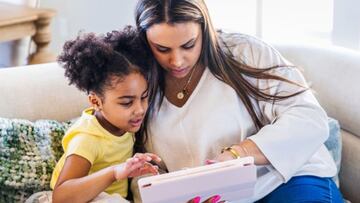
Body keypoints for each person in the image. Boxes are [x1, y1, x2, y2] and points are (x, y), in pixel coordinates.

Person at [131, 0, 344, 202]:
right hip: (216, 197)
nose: (177, 61)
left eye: (188, 45)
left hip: (287, 179)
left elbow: (309, 119)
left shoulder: (245, 51)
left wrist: (238, 154)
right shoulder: (136, 81)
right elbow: (141, 167)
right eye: (162, 49)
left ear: (205, 31)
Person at [50, 27, 161, 203]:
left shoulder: (124, 124)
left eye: (144, 97)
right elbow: (61, 197)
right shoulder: (88, 139)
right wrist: (115, 172)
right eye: (126, 102)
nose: (140, 109)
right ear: (96, 102)